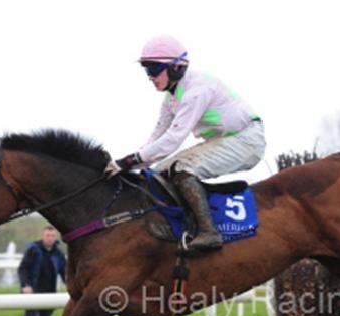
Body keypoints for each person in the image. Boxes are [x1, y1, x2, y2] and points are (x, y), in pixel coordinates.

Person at [111, 35, 266, 252]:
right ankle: (180, 227)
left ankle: (209, 232)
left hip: (247, 141)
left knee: (182, 169)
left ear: (176, 67)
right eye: (147, 70)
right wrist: (128, 165)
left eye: (154, 69)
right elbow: (157, 137)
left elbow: (173, 139)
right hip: (226, 139)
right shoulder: (172, 96)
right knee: (159, 172)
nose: (150, 77)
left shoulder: (197, 91)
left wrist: (128, 162)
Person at [18, 226, 67, 316]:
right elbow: (23, 269)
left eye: (52, 236)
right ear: (43, 236)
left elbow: (64, 272)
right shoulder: (33, 250)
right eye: (47, 235)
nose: (50, 238)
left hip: (50, 290)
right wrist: (26, 285)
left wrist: (70, 285)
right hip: (32, 290)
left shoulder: (58, 253)